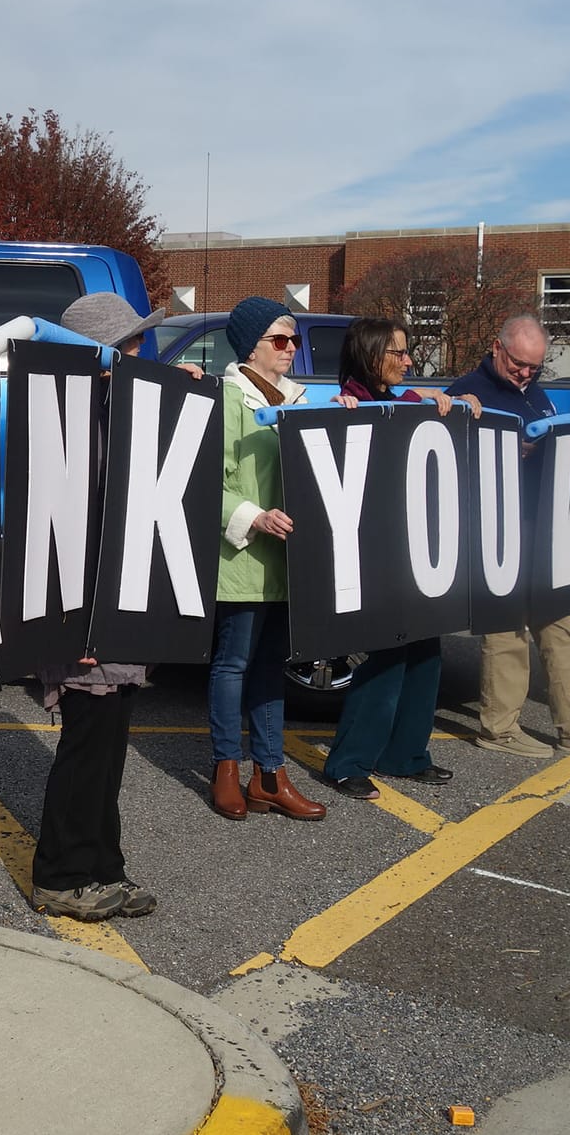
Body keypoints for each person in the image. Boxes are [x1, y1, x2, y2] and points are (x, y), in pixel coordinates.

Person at [26, 293, 176, 922]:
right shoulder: (68, 424)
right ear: (102, 356)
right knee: (87, 750)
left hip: (118, 613)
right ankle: (60, 877)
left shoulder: (122, 414)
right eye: (133, 344)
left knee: (108, 752)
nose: (145, 353)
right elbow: (51, 535)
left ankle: (102, 868)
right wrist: (67, 628)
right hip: (83, 617)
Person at [447, 316, 570, 759]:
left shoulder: (536, 393)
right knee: (505, 630)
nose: (525, 373)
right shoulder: (467, 391)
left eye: (534, 366)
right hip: (497, 528)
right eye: (518, 363)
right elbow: (448, 461)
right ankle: (499, 728)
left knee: (560, 625)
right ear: (497, 347)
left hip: (544, 524)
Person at [321, 318, 477, 799]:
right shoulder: (344, 404)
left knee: (426, 655)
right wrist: (337, 419)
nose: (408, 361)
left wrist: (460, 404)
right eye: (399, 352)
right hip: (376, 556)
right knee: (385, 660)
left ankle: (406, 754)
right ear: (371, 355)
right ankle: (348, 762)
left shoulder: (407, 401)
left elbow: (438, 416)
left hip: (418, 553)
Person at [203, 296, 327, 823]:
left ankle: (270, 776)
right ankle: (226, 768)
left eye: (293, 339)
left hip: (287, 559)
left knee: (271, 666)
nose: (291, 347)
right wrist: (253, 517)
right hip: (243, 556)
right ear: (250, 347)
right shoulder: (227, 398)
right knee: (233, 663)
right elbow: (205, 481)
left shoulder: (298, 398)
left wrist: (345, 416)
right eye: (280, 338)